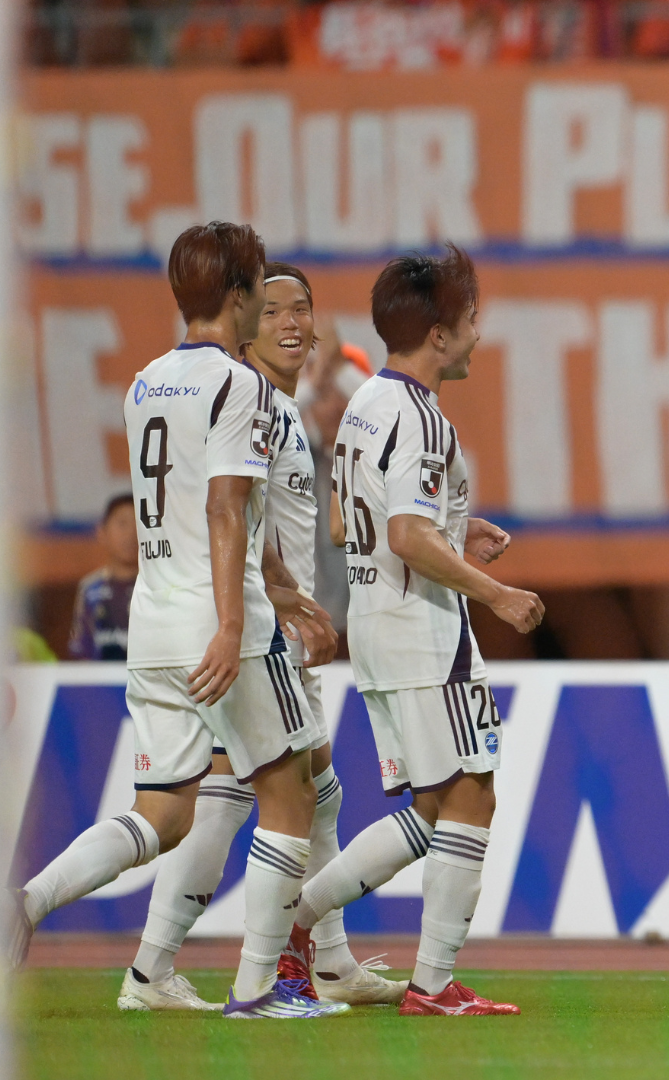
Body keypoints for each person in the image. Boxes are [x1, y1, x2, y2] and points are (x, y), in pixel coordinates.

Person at [3, 222, 347, 1019]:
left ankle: (27, 902)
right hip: (221, 625)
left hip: (154, 622)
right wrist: (232, 625)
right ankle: (258, 988)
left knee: (162, 813)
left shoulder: (145, 383)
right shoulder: (241, 386)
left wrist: (285, 591)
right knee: (291, 795)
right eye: (259, 290)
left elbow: (204, 509)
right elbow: (226, 509)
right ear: (238, 295)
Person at [117, 263, 407, 1011]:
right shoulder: (250, 404)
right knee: (268, 795)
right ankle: (256, 972)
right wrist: (268, 609)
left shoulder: (281, 409)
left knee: (295, 792)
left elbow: (298, 524)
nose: (289, 322)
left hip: (266, 626)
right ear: (245, 322)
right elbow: (231, 518)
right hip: (251, 632)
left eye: (301, 309)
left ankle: (308, 961)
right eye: (272, 309)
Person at [281, 245, 544, 1016]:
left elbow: (346, 524)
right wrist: (495, 593)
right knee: (472, 797)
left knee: (433, 811)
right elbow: (403, 534)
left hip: (376, 626)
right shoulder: (421, 417)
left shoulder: (364, 403)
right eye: (469, 320)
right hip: (427, 633)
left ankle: (295, 925)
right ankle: (429, 984)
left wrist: (453, 530)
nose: (477, 333)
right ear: (438, 334)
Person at [69, 494, 139, 660]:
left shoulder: (155, 585)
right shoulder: (90, 588)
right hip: (100, 674)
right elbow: (80, 649)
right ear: (102, 532)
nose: (131, 533)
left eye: (138, 524)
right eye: (122, 524)